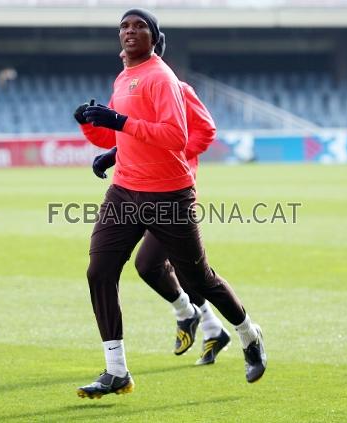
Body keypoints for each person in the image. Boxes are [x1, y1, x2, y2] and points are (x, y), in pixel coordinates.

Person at [73, 8, 267, 399]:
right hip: (125, 191)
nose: (129, 31)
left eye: (139, 26)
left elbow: (175, 137)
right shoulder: (125, 78)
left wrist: (117, 123)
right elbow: (127, 132)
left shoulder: (162, 78)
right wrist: (99, 134)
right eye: (124, 26)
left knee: (199, 279)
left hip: (168, 195)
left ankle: (248, 333)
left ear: (154, 37)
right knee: (100, 271)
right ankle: (117, 371)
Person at [90, 38, 231, 366]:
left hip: (172, 189)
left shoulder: (175, 88)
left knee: (156, 265)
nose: (123, 51)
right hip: (139, 188)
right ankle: (210, 327)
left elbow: (205, 130)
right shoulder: (130, 86)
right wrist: (110, 154)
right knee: (160, 267)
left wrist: (175, 156)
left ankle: (199, 320)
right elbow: (133, 137)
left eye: (130, 46)